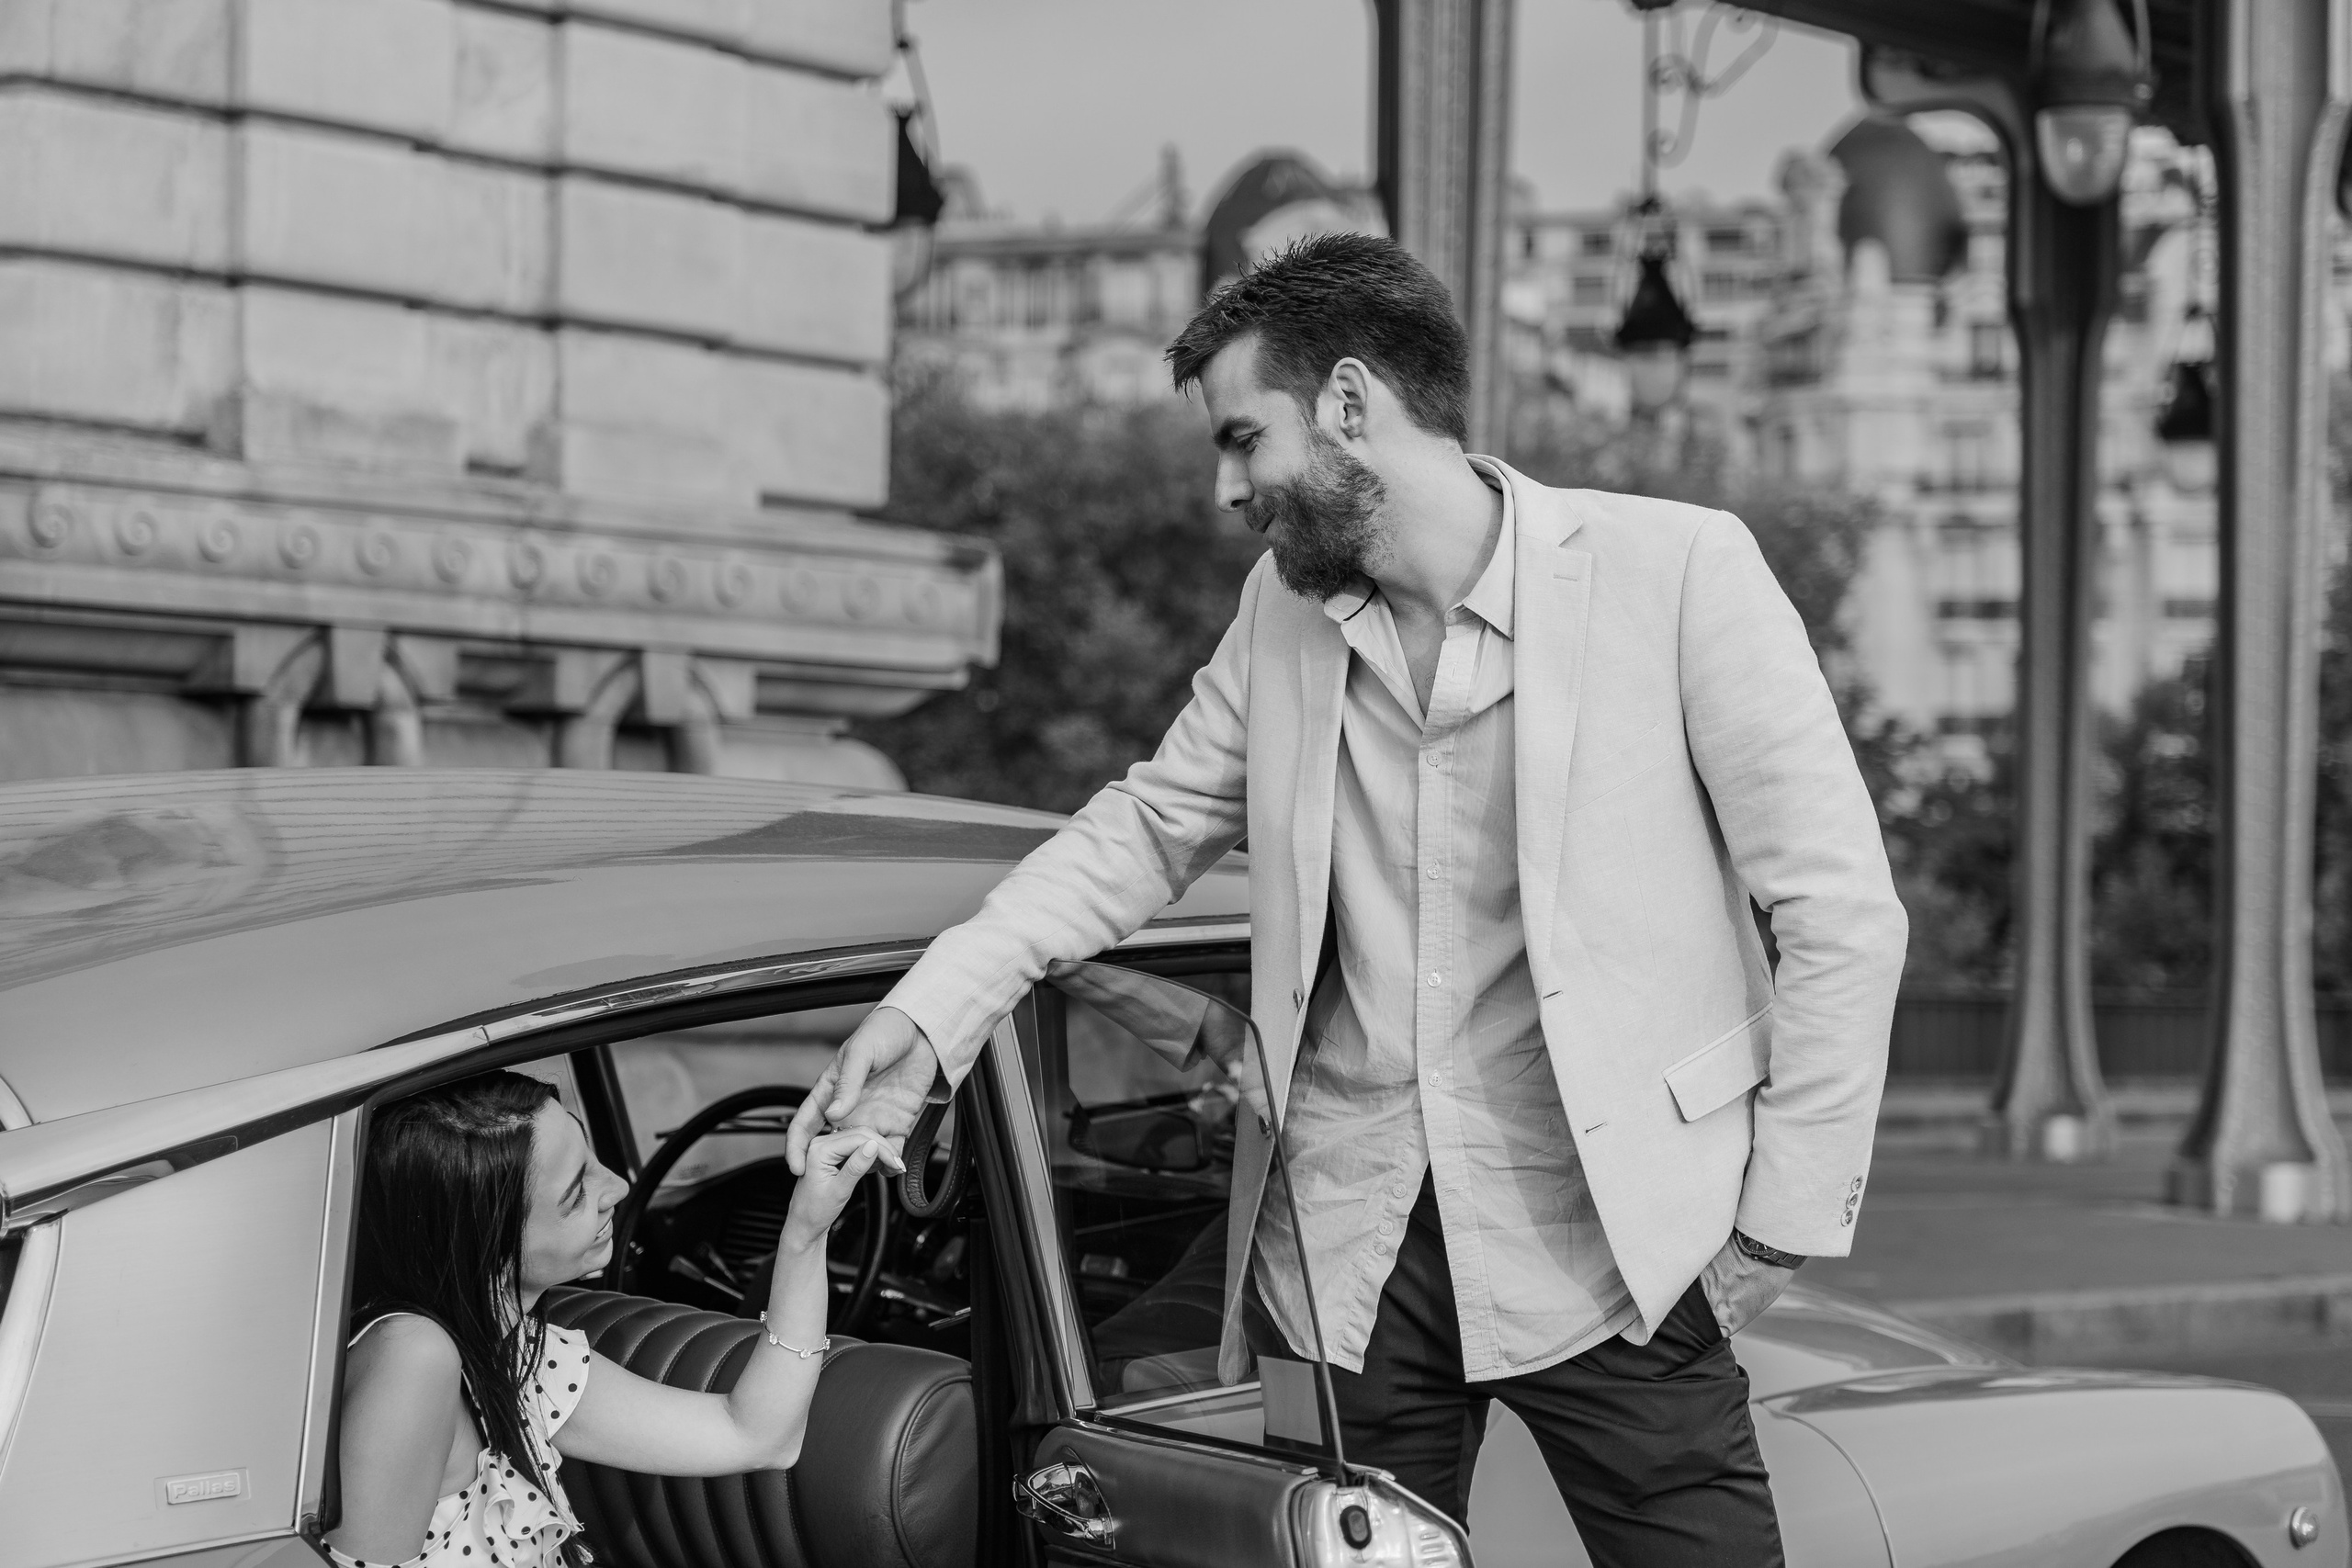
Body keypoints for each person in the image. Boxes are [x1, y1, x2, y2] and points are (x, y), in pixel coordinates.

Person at [786, 233, 1906, 1565]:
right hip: (1358, 1253)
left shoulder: (1680, 573)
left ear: (1353, 404)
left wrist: (1777, 1220)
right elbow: (1144, 830)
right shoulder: (1283, 610)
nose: (1226, 488)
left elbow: (1840, 911)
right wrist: (925, 1022)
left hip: (1626, 1243)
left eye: (1243, 437)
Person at [328, 1070, 898, 1568]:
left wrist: (804, 1233)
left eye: (594, 1160)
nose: (619, 1188)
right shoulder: (414, 1355)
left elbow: (754, 1435)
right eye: (576, 1194)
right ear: (481, 1237)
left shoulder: (516, 1351)